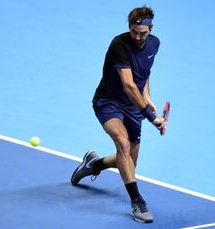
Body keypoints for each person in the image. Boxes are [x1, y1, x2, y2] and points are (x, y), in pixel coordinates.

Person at [70, 6, 165, 224]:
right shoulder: (119, 45)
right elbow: (129, 85)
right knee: (122, 142)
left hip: (133, 107)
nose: (138, 37)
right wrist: (151, 118)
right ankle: (137, 202)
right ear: (129, 28)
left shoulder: (154, 44)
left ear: (151, 29)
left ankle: (93, 165)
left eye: (143, 32)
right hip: (108, 102)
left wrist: (147, 97)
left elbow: (143, 75)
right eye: (134, 31)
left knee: (129, 161)